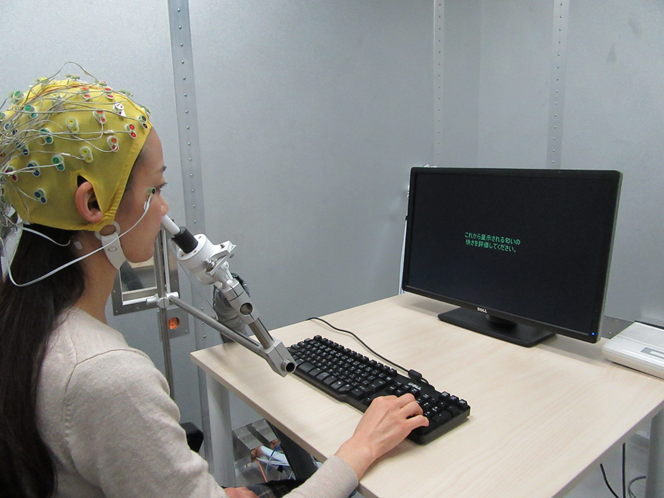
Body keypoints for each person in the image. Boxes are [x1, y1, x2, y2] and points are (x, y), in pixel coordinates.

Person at [0, 66, 428, 498]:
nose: (165, 209)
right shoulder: (105, 377)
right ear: (93, 203)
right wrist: (359, 449)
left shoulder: (24, 325)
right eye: (155, 189)